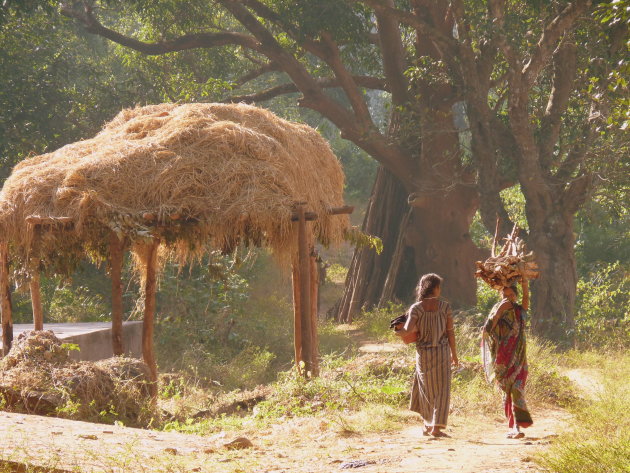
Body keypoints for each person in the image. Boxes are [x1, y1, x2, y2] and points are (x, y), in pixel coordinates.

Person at [398, 273, 458, 437]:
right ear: (436, 288)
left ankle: (427, 424)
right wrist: (454, 354)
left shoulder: (416, 308)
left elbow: (407, 331)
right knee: (442, 390)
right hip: (442, 352)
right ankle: (436, 428)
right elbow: (450, 333)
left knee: (425, 389)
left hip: (423, 355)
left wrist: (398, 330)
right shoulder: (445, 307)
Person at [481, 279, 533, 438]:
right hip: (502, 358)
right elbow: (487, 330)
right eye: (505, 295)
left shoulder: (520, 309)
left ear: (516, 296)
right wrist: (499, 312)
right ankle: (512, 427)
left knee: (518, 390)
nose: (509, 297)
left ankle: (518, 426)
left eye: (511, 295)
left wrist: (524, 281)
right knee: (506, 392)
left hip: (519, 358)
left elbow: (526, 299)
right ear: (500, 295)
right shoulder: (497, 309)